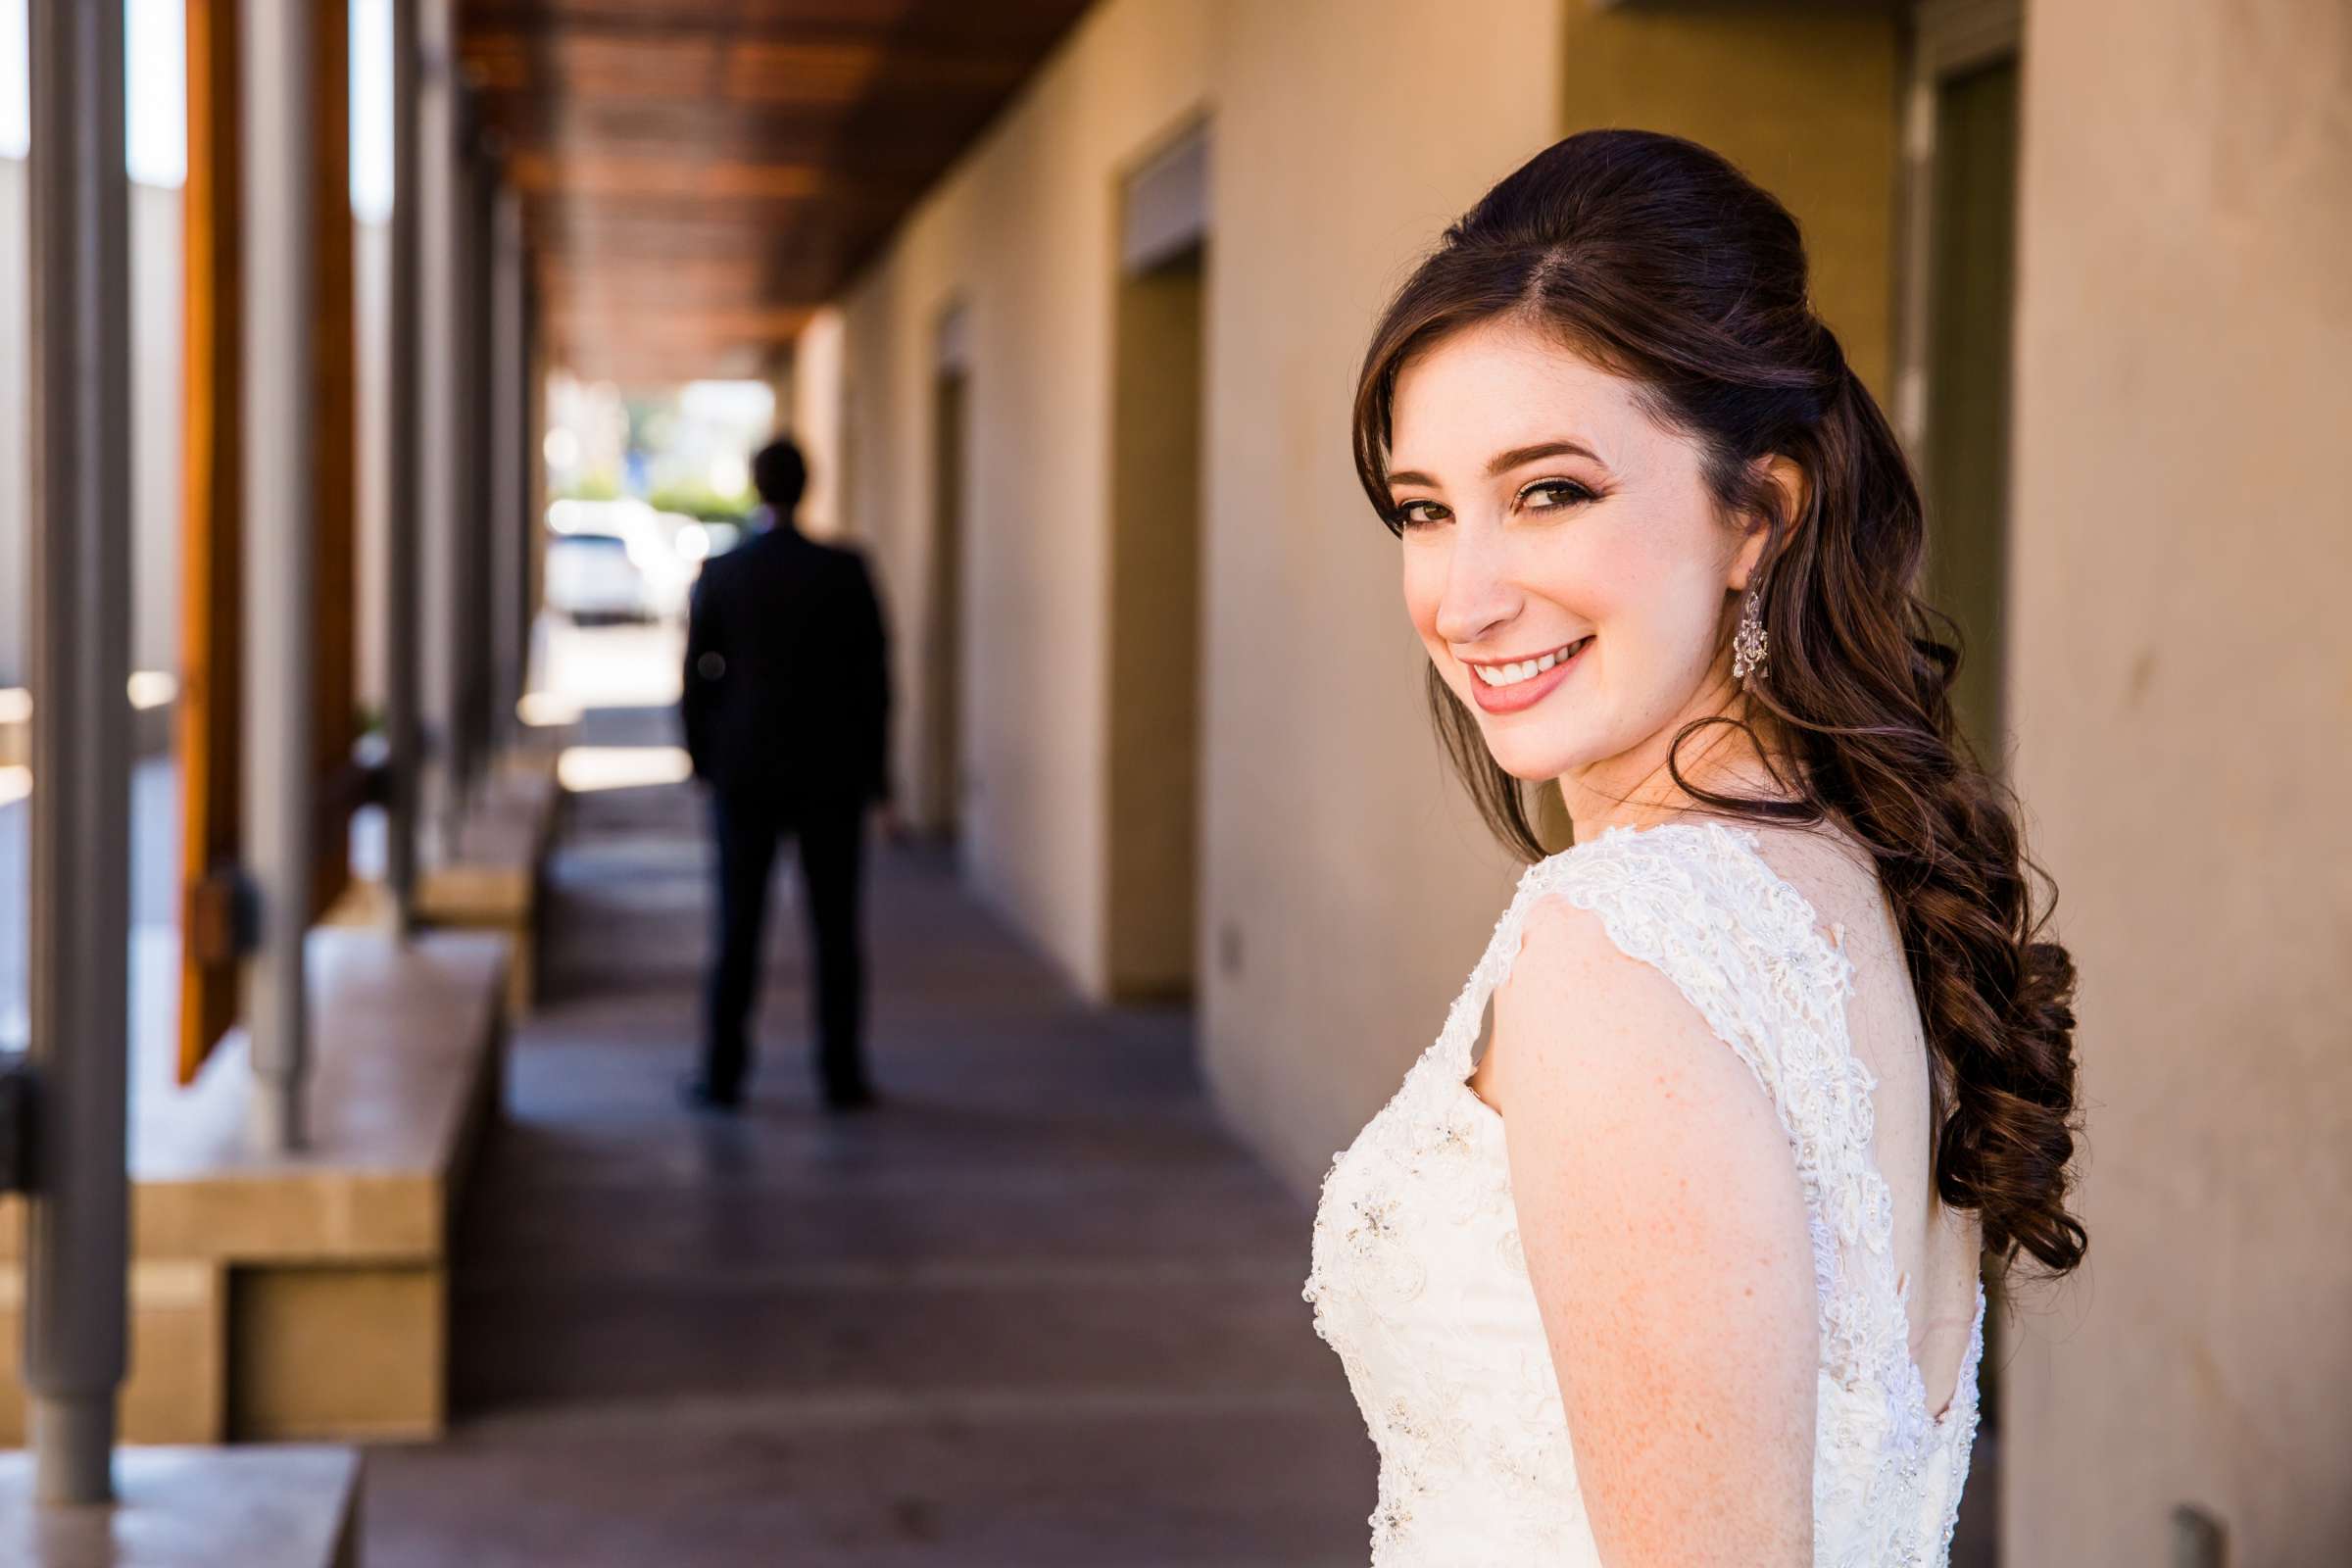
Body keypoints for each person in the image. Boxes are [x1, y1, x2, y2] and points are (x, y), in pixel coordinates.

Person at [1300, 130, 2085, 1565]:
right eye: (1426, 509)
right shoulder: (1852, 874)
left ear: (1759, 514)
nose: (1464, 597)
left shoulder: (1624, 953)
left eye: (1551, 492)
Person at [679, 436, 893, 1112]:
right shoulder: (845, 569)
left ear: (755, 486)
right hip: (832, 774)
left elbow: (694, 679)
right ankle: (840, 1074)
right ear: (808, 485)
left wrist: (704, 762)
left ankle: (723, 1073)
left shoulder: (725, 572)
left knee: (738, 925)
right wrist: (878, 775)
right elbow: (875, 682)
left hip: (746, 773)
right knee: (835, 929)